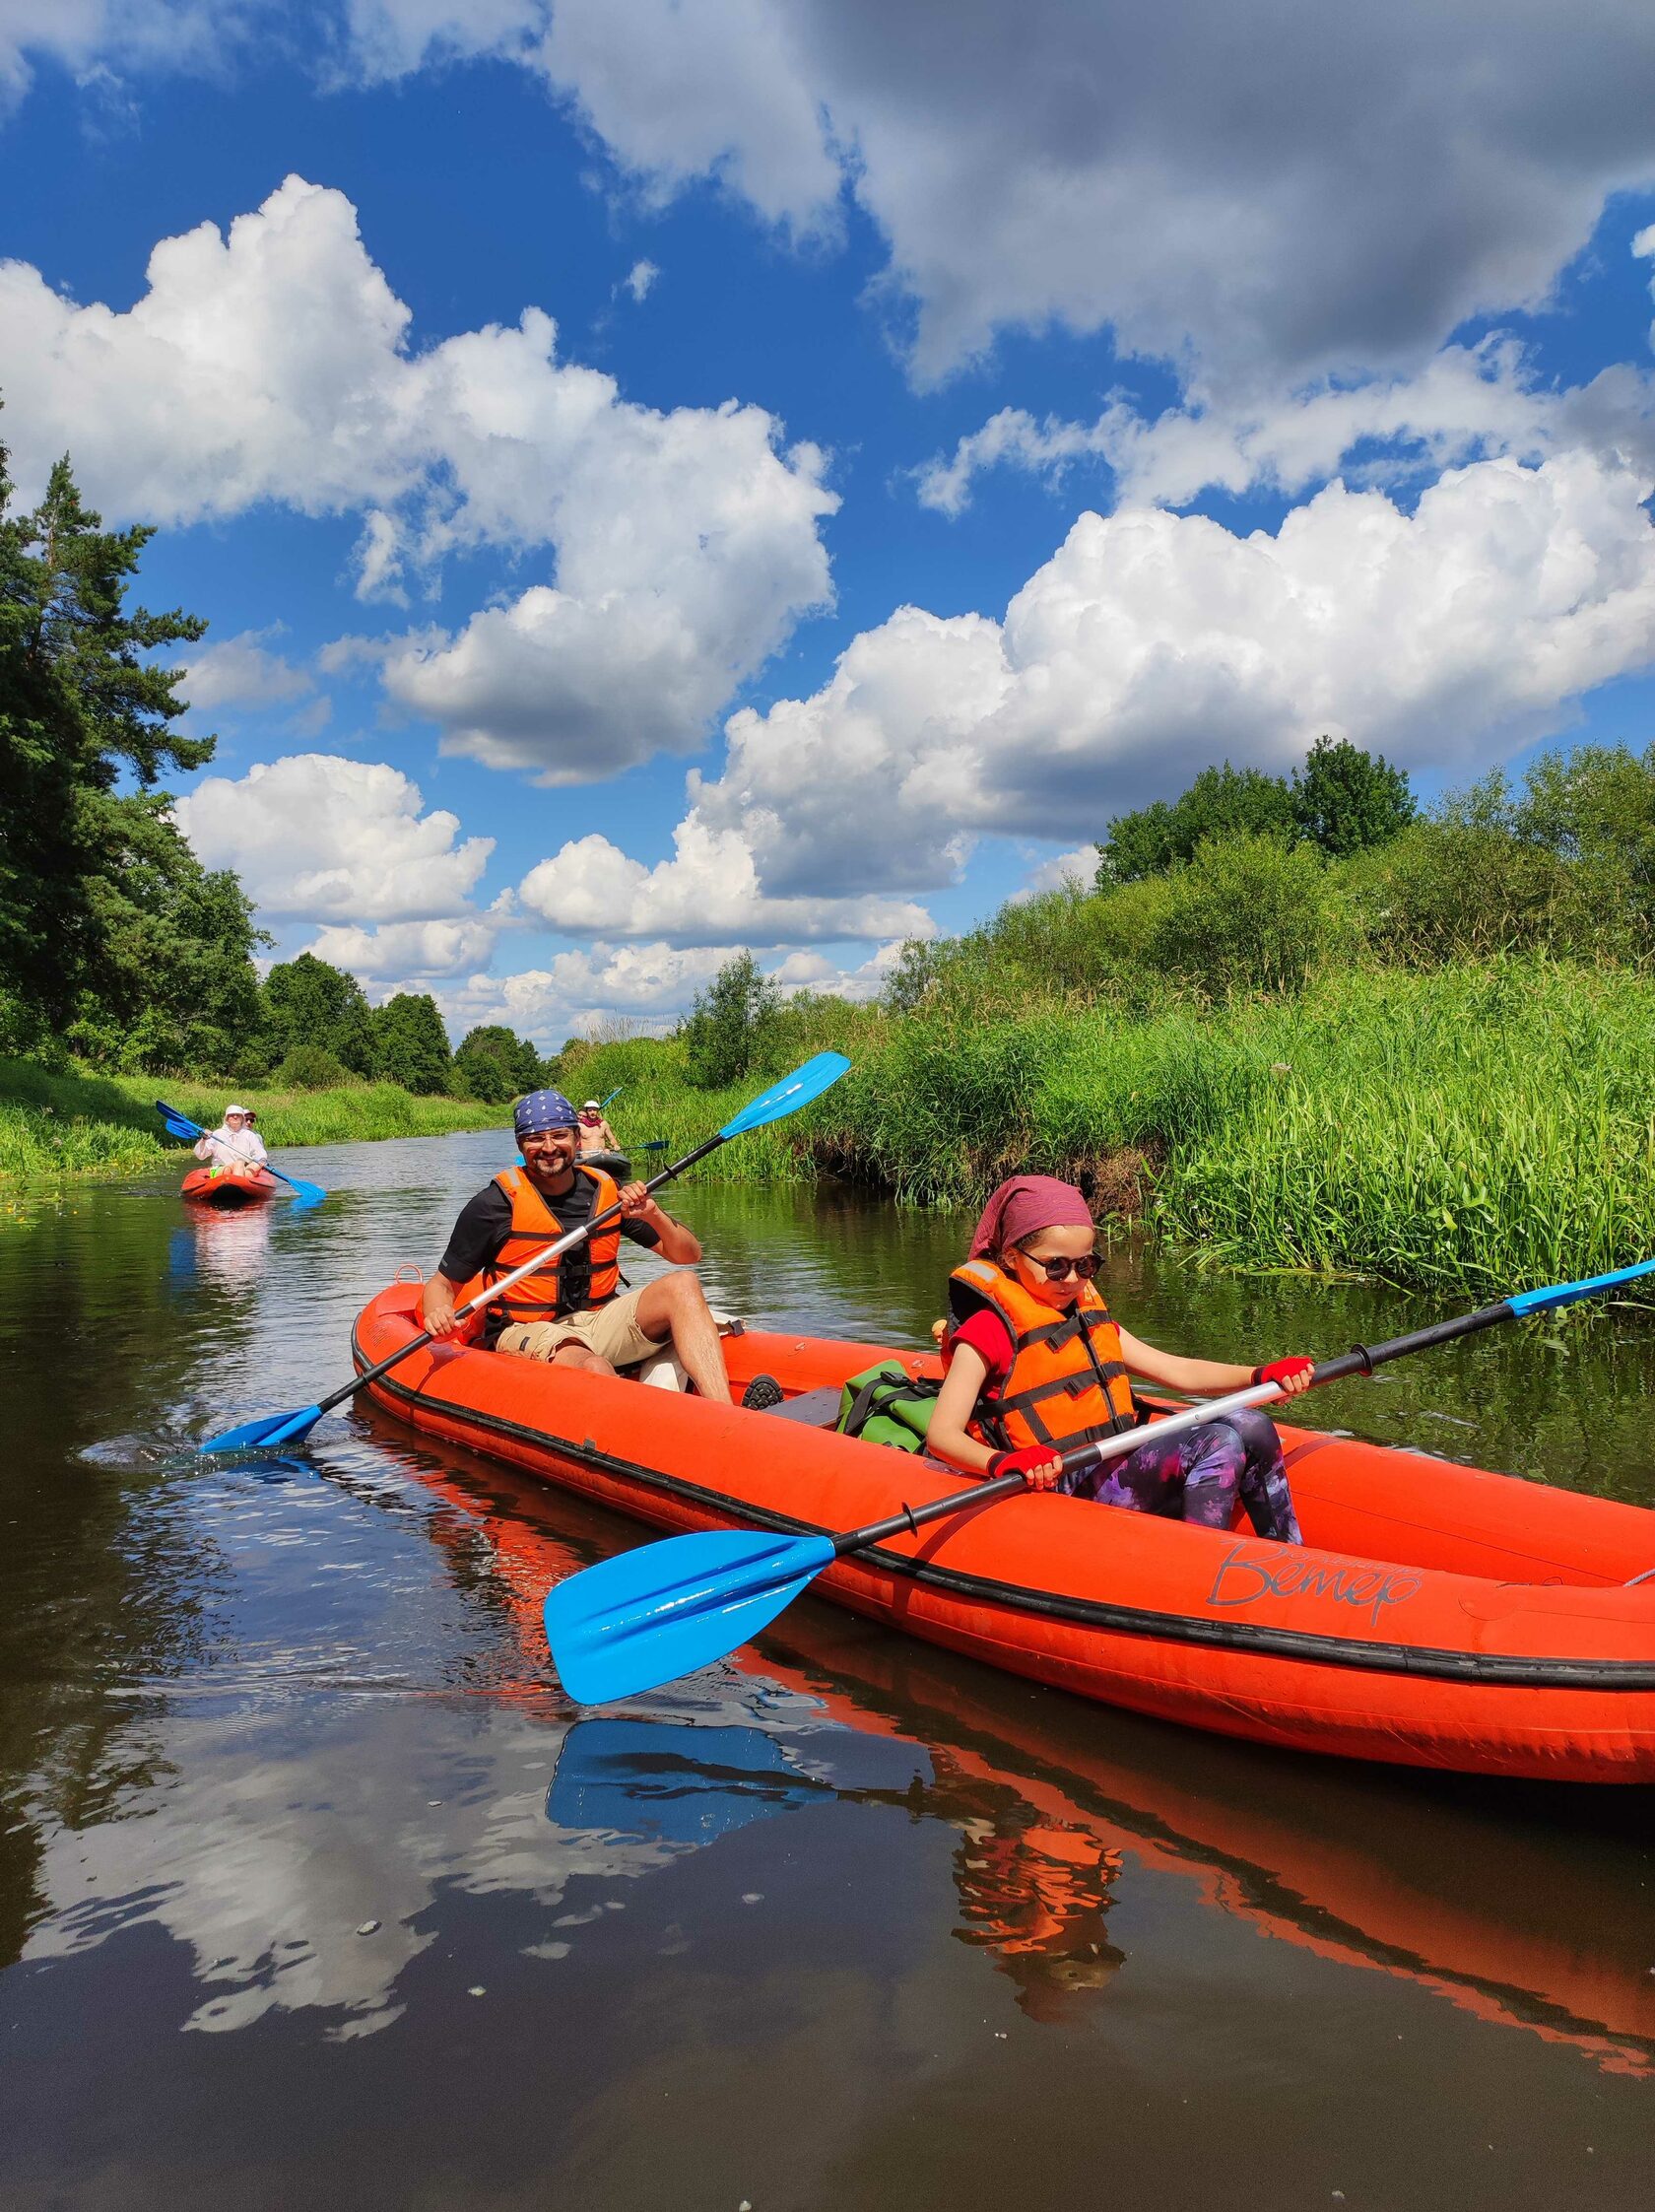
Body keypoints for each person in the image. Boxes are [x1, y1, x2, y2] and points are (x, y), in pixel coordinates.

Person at [926, 1175, 1310, 1541]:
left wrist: (1261, 1375)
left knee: (1254, 1423)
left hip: (1113, 1454)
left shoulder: (1084, 1315)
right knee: (1219, 1442)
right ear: (1011, 1256)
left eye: (1086, 1266)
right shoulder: (987, 1330)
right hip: (1061, 1478)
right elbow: (942, 1434)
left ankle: (1287, 1553)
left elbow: (1176, 1370)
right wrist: (1000, 1462)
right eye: (1055, 1266)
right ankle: (1200, 1567)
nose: (1073, 1280)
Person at [421, 1088, 733, 1403]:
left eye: (558, 1135)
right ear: (520, 1145)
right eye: (535, 1138)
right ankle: (635, 1432)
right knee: (594, 1366)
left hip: (601, 1319)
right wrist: (438, 1313)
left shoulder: (608, 1193)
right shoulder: (493, 1206)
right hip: (528, 1328)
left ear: (577, 1139)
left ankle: (726, 1415)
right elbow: (443, 1284)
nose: (548, 1147)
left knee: (683, 1284)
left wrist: (653, 1215)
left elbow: (688, 1255)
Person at [193, 1105, 268, 1169]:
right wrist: (203, 1139)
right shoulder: (217, 1134)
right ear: (227, 1119)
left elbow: (260, 1152)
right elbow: (201, 1155)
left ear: (242, 1119)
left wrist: (261, 1160)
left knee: (240, 1164)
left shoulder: (250, 1135)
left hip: (244, 1170)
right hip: (222, 1169)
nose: (235, 1117)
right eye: (231, 1115)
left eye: (238, 1115)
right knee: (238, 1164)